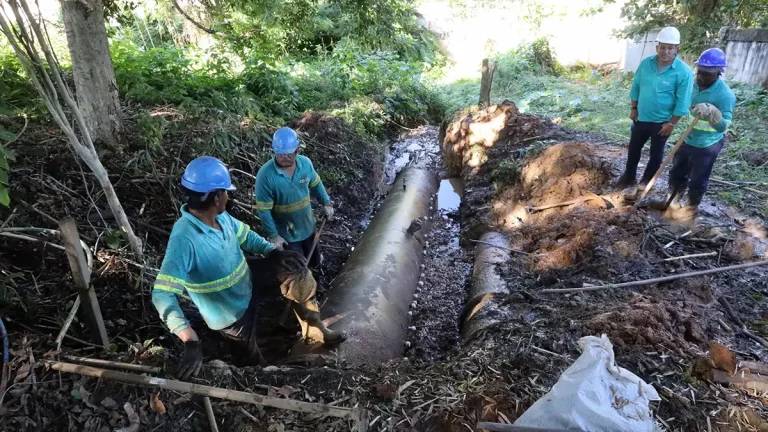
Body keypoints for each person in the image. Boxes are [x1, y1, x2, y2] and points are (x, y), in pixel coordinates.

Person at [152, 157, 343, 379]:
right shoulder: (184, 239)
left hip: (248, 279)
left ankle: (315, 331)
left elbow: (245, 236)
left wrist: (273, 252)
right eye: (225, 192)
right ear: (216, 198)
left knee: (297, 273)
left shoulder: (221, 217)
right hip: (227, 312)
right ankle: (273, 375)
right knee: (251, 366)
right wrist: (190, 340)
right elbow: (162, 295)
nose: (227, 196)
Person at [649, 48, 735, 220]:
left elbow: (723, 127)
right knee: (676, 172)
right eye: (700, 72)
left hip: (708, 144)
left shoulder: (725, 95)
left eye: (708, 74)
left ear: (719, 72)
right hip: (689, 139)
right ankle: (672, 203)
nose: (702, 77)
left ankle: (689, 211)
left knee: (697, 179)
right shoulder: (692, 85)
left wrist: (713, 112)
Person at [618, 26, 694, 196]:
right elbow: (636, 86)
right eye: (662, 47)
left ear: (677, 49)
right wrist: (634, 108)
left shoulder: (684, 72)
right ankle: (629, 175)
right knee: (634, 148)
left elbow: (683, 102)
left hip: (663, 122)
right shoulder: (646, 64)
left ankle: (646, 181)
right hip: (641, 117)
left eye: (670, 47)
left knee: (656, 153)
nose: (665, 51)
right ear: (657, 47)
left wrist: (672, 123)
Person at [255, 127, 333, 274]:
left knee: (315, 260)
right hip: (288, 235)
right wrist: (274, 236)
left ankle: (318, 278)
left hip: (308, 227)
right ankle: (304, 293)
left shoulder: (305, 164)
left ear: (297, 150)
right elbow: (264, 210)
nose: (285, 157)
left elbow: (316, 184)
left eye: (289, 153)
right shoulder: (265, 175)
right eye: (281, 154)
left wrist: (326, 203)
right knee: (298, 268)